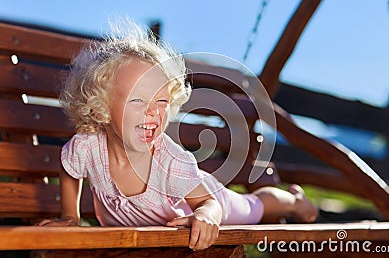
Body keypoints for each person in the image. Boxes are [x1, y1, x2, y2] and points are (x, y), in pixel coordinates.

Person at [38, 21, 318, 251]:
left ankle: (294, 200)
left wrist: (206, 215)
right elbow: (69, 170)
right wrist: (70, 216)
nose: (153, 112)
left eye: (161, 101)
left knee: (253, 207)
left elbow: (208, 202)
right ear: (101, 107)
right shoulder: (86, 147)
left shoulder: (169, 161)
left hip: (204, 197)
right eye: (138, 100)